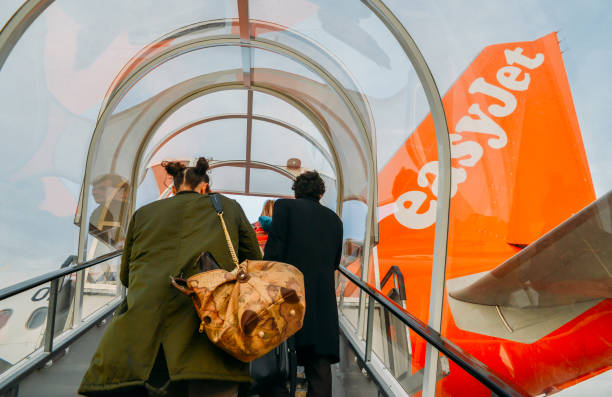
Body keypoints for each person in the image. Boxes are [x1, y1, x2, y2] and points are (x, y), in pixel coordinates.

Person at [79, 158, 262, 397]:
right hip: (208, 327)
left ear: (174, 189)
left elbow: (125, 276)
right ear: (205, 188)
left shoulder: (144, 213)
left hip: (144, 333)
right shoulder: (228, 207)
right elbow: (253, 262)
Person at [262, 171, 343, 397]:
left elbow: (273, 255)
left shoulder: (284, 208)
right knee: (319, 369)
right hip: (321, 304)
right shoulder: (335, 220)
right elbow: (335, 262)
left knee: (278, 362)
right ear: (321, 193)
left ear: (296, 191)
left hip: (288, 297)